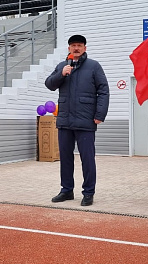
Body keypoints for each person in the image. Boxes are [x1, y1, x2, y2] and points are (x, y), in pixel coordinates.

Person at [45, 34, 109, 207]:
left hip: (86, 120)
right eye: (73, 45)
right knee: (65, 158)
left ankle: (88, 192)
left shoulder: (94, 66)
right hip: (65, 120)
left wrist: (100, 114)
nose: (76, 48)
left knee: (87, 158)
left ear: (85, 48)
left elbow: (103, 90)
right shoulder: (62, 66)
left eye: (79, 45)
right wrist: (62, 73)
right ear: (69, 48)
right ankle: (66, 190)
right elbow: (49, 84)